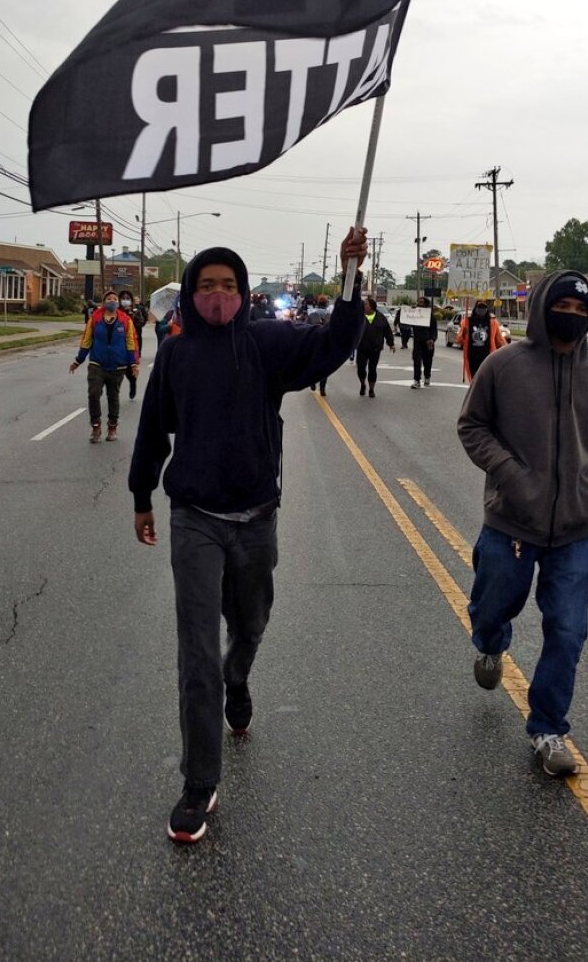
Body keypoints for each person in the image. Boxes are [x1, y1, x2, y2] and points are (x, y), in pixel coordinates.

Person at [129, 228, 367, 843]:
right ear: (190, 293)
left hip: (257, 517)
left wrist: (349, 278)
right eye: (207, 285)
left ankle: (239, 676)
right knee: (196, 653)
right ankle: (199, 783)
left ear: (242, 293)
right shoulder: (176, 354)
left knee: (251, 622)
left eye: (229, 285)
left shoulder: (265, 344)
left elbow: (336, 344)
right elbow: (154, 427)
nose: (218, 295)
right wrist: (141, 495)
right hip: (195, 519)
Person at [457, 271, 588, 777]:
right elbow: (472, 426)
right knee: (491, 609)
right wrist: (510, 474)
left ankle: (548, 729)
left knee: (568, 631)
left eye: (580, 310)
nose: (570, 317)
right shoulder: (504, 366)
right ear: (542, 308)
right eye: (562, 307)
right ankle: (490, 646)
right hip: (509, 522)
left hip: (575, 529)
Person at [69, 289, 139, 442]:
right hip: (97, 364)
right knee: (93, 394)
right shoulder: (94, 319)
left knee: (113, 397)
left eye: (115, 299)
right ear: (103, 302)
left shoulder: (125, 320)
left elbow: (131, 342)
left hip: (117, 366)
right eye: (109, 299)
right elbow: (86, 340)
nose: (112, 301)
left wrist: (133, 363)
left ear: (118, 303)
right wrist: (78, 360)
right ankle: (96, 426)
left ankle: (112, 427)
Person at [456, 300, 508, 382]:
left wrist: (506, 351)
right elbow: (459, 340)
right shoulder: (467, 322)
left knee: (486, 379)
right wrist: (463, 333)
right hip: (472, 357)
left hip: (488, 357)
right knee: (474, 380)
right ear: (475, 308)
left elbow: (499, 340)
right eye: (479, 307)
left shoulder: (493, 322)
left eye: (483, 307)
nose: (481, 310)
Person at [356, 296, 395, 398]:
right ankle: (362, 384)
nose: (364, 306)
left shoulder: (381, 318)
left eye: (366, 304)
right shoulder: (359, 317)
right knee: (361, 368)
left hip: (375, 348)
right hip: (361, 347)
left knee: (372, 369)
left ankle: (371, 389)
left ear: (372, 306)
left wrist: (391, 344)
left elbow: (388, 332)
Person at [118, 289, 146, 401]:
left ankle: (132, 383)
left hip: (132, 343)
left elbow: (142, 322)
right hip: (118, 344)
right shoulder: (116, 311)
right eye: (123, 298)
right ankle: (114, 392)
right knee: (117, 370)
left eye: (127, 298)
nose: (125, 300)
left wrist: (133, 316)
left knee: (130, 370)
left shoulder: (135, 310)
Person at [307, 295, 332, 395]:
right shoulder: (330, 316)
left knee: (313, 364)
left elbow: (306, 328)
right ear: (326, 304)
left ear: (318, 304)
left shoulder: (312, 315)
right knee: (325, 367)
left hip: (314, 342)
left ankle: (312, 381)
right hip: (326, 343)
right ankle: (322, 388)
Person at [410, 297, 438, 388]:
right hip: (417, 342)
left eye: (421, 302)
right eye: (418, 302)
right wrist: (410, 312)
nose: (419, 304)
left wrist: (432, 339)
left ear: (426, 304)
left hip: (428, 342)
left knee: (427, 361)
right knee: (417, 361)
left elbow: (434, 330)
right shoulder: (415, 314)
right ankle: (417, 380)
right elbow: (407, 323)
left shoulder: (431, 317)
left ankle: (427, 377)